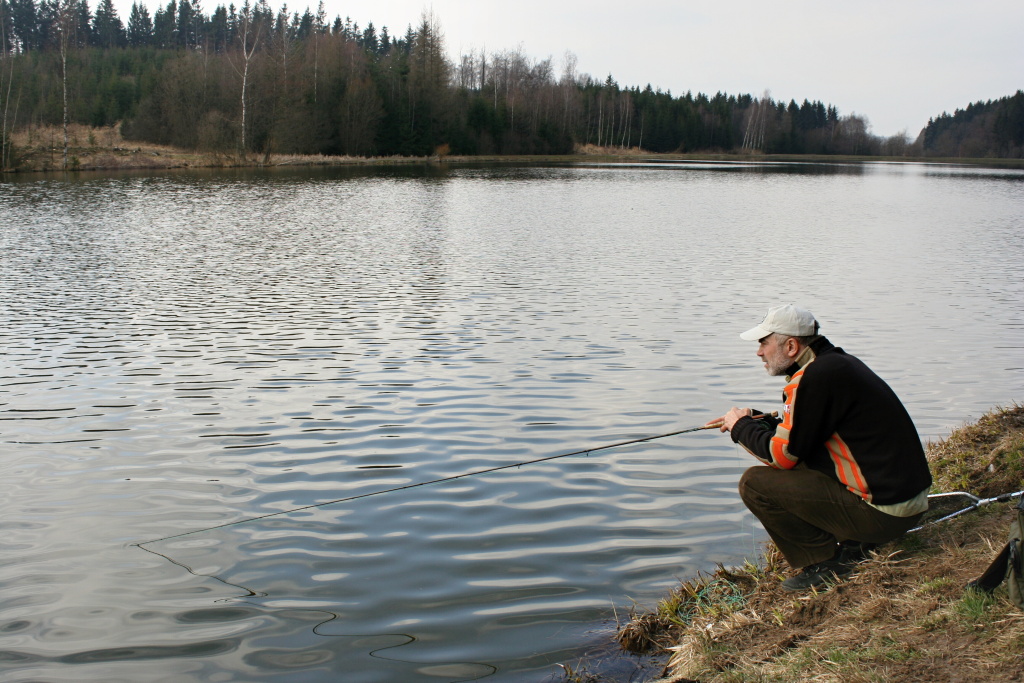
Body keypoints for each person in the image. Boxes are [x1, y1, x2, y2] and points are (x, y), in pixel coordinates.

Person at [711, 304, 932, 592]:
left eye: (764, 343)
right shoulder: (836, 365)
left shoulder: (814, 378)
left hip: (885, 516)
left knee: (754, 484)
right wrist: (756, 420)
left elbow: (783, 456)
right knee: (802, 462)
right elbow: (806, 436)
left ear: (791, 346)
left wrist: (741, 427)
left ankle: (826, 562)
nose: (759, 352)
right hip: (905, 504)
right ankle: (852, 541)